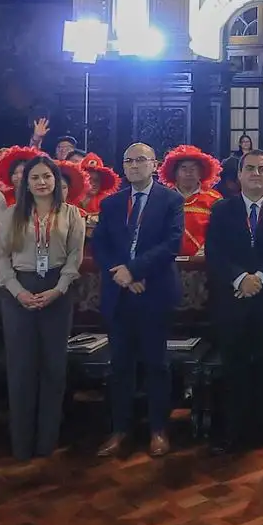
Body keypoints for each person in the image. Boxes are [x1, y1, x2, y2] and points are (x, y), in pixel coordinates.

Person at [90, 144, 184, 458]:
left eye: (140, 160)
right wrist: (120, 274)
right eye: (128, 160)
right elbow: (100, 244)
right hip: (119, 294)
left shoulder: (170, 199)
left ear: (154, 164)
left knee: (156, 364)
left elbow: (172, 244)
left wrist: (134, 270)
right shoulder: (112, 203)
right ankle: (119, 429)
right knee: (120, 366)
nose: (133, 166)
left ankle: (158, 429)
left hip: (154, 291)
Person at [206, 150, 263, 455]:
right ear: (239, 175)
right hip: (233, 301)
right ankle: (232, 429)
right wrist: (240, 280)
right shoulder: (222, 209)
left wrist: (259, 278)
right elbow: (215, 252)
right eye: (250, 168)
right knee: (234, 367)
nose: (256, 173)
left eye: (262, 168)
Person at [0, 155, 84, 460]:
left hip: (57, 293)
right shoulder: (12, 215)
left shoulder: (72, 214)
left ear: (56, 181)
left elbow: (74, 259)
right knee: (21, 368)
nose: (41, 182)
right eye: (35, 178)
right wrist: (18, 291)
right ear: (26, 183)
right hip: (18, 292)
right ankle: (21, 443)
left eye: (46, 176)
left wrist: (58, 290)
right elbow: (2, 260)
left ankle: (47, 442)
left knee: (53, 369)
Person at [160, 145, 223, 263]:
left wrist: (205, 252)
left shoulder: (215, 199)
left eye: (193, 169)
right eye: (183, 168)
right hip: (165, 264)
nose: (188, 173)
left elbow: (221, 232)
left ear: (201, 173)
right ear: (175, 173)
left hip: (205, 264)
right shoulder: (161, 198)